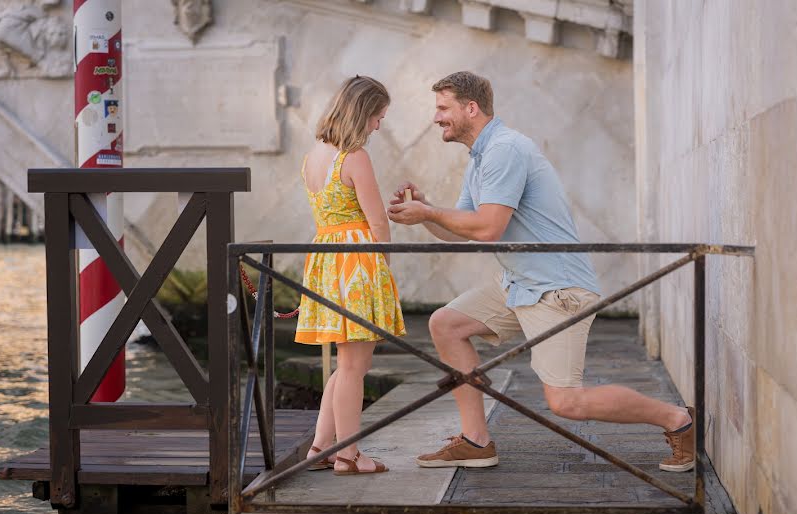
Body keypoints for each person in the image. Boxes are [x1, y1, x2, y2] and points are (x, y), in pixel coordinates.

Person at [387, 71, 695, 472]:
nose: (436, 118)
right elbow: (461, 230)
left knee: (567, 402)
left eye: (443, 108)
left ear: (471, 108)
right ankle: (475, 441)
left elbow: (489, 228)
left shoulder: (505, 150)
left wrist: (428, 212)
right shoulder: (481, 156)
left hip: (556, 289)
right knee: (446, 324)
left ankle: (679, 420)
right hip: (520, 283)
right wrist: (426, 213)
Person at [295, 75, 406, 475]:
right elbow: (377, 222)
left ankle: (320, 449)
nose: (379, 124)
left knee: (344, 365)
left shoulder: (312, 156)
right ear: (364, 112)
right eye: (379, 116)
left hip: (326, 261)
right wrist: (384, 269)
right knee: (355, 368)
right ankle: (349, 454)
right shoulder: (354, 156)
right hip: (358, 263)